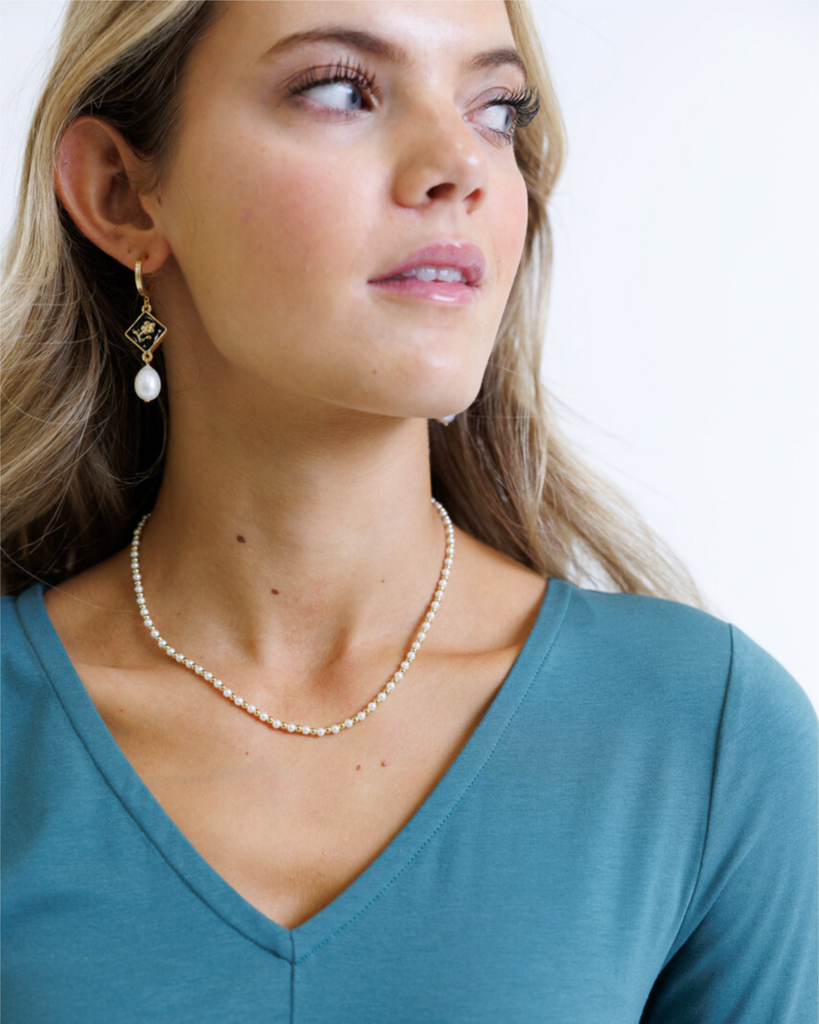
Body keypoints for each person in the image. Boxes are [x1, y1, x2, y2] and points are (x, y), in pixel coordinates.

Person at [1, 1, 816, 1021]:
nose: (460, 165)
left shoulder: (706, 741)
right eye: (341, 89)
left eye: (497, 109)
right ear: (124, 194)